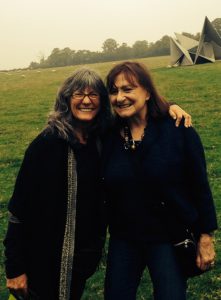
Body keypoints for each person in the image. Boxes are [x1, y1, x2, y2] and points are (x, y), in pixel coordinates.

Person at [4, 66, 191, 300]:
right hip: (42, 258)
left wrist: (169, 107)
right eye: (78, 94)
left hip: (79, 261)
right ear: (66, 99)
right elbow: (18, 210)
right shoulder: (47, 144)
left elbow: (140, 108)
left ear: (102, 101)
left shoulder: (100, 138)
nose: (86, 101)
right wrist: (15, 268)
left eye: (93, 95)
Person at [102, 61, 217, 300]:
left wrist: (206, 236)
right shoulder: (107, 135)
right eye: (113, 91)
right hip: (125, 238)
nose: (119, 97)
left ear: (146, 92)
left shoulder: (177, 128)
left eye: (127, 89)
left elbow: (200, 185)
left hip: (168, 236)